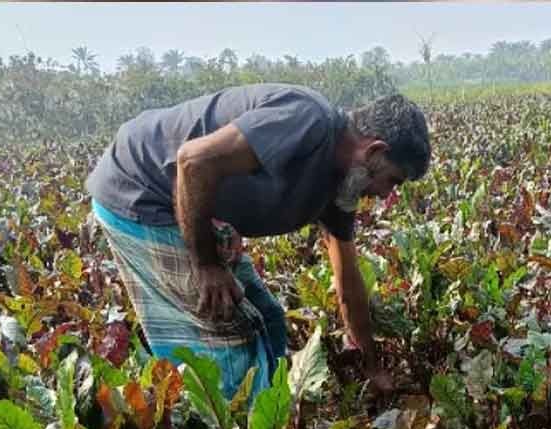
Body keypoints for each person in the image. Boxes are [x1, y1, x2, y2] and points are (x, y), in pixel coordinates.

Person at [85, 84, 430, 400]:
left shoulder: (341, 186)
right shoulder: (306, 120)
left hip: (188, 198)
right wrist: (206, 264)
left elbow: (348, 284)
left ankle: (271, 423)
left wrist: (371, 363)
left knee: (269, 318)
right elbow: (193, 160)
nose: (386, 195)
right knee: (229, 340)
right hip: (142, 189)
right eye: (393, 181)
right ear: (374, 151)